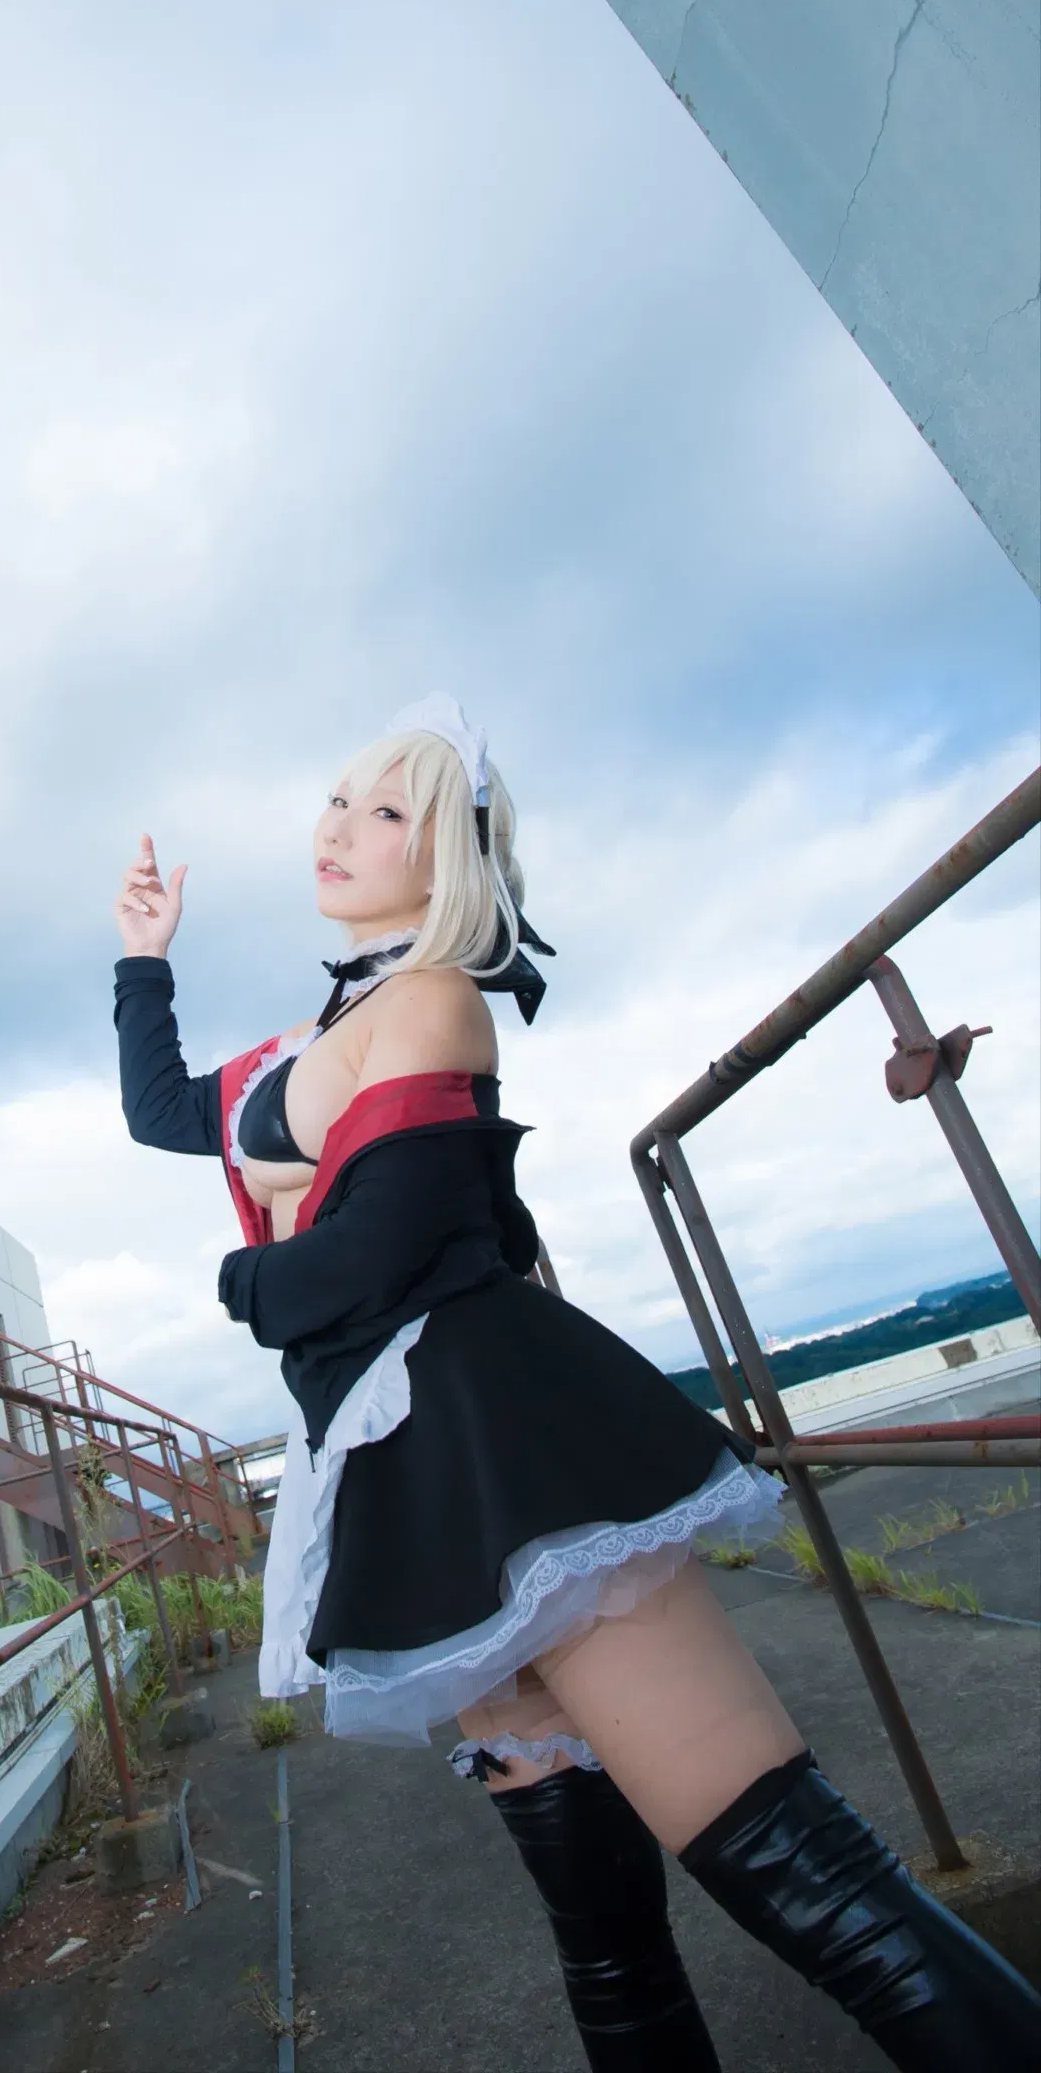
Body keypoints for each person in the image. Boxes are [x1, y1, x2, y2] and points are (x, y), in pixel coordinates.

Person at [111, 694, 1040, 2073]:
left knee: (805, 1875)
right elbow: (165, 1116)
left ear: (451, 855)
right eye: (339, 798)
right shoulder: (308, 1041)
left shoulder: (433, 1000)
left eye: (387, 810)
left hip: (506, 1442)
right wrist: (144, 960)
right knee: (602, 1941)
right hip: (403, 1462)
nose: (341, 827)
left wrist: (241, 1281)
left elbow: (383, 1251)